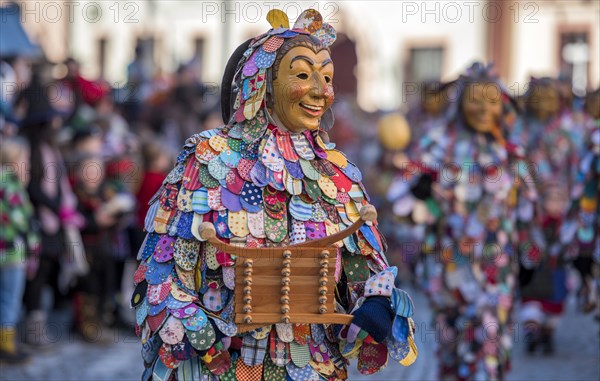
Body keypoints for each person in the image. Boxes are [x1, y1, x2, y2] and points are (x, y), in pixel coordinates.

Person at [132, 9, 417, 380]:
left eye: (327, 77)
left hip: (311, 368)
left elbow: (366, 275)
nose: (321, 90)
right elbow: (158, 277)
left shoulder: (339, 177)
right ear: (263, 82)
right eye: (302, 75)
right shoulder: (206, 161)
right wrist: (202, 333)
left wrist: (375, 306)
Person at [388, 63, 536, 380]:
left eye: (491, 100)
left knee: (490, 348)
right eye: (474, 99)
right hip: (447, 268)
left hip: (497, 271)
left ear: (502, 104)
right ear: (459, 103)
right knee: (452, 350)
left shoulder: (512, 152)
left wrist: (529, 256)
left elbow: (527, 209)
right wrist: (417, 191)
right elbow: (400, 203)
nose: (483, 108)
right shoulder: (437, 144)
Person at [512, 78, 581, 354]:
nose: (544, 104)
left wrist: (573, 206)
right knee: (530, 263)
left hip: (560, 210)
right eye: (538, 97)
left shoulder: (568, 132)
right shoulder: (521, 131)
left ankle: (548, 326)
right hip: (530, 213)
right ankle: (531, 324)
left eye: (550, 98)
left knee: (557, 267)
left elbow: (577, 170)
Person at [0, 137, 40, 363]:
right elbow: (20, 219)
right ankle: (6, 346)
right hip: (12, 251)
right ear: (13, 160)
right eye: (24, 158)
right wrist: (33, 239)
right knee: (10, 299)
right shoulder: (10, 183)